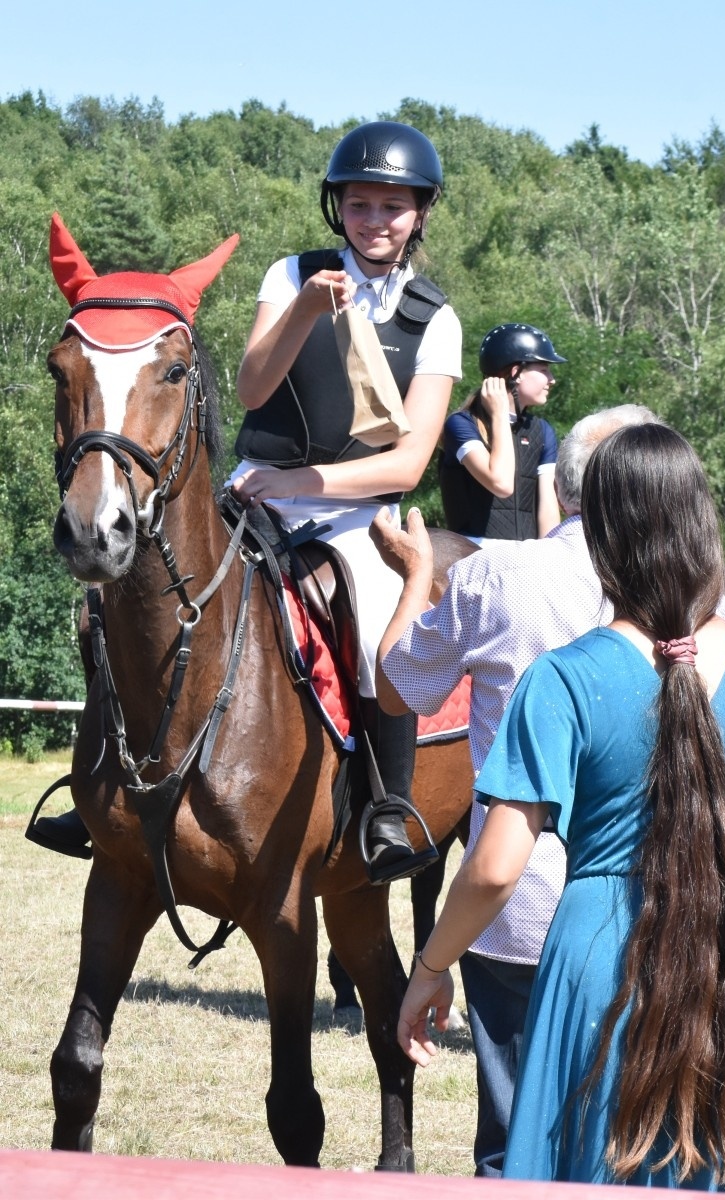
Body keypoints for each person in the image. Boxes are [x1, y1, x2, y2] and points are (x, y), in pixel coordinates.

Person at [396, 423, 725, 1193]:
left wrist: (430, 967)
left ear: (601, 537)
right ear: (701, 524)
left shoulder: (561, 680)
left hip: (596, 966)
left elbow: (494, 869)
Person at [372, 403, 657, 1176]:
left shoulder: (495, 574)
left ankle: (376, 808)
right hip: (653, 912)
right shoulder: (688, 594)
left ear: (562, 491)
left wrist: (418, 577)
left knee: (513, 1151)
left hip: (518, 909)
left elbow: (397, 688)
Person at [229, 121, 462, 885]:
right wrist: (303, 310)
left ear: (419, 213)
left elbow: (409, 460)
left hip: (356, 511)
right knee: (146, 574)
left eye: (392, 207)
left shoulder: (435, 320)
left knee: (376, 626)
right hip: (255, 487)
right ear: (338, 208)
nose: (374, 221)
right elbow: (252, 389)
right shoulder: (289, 275)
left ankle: (388, 807)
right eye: (359, 205)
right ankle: (105, 772)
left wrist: (300, 484)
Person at [438, 323, 564, 543]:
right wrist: (499, 414)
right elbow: (501, 484)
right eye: (544, 370)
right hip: (472, 553)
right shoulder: (461, 424)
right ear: (516, 373)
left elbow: (548, 509)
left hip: (525, 555)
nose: (552, 379)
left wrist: (550, 553)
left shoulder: (542, 430)